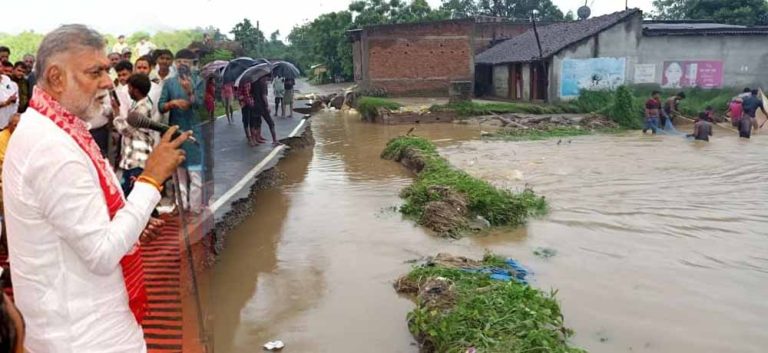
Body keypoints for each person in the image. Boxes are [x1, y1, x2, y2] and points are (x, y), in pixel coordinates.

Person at [3, 24, 189, 353]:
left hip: (81, 326)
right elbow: (102, 253)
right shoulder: (51, 148)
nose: (107, 81)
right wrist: (151, 179)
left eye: (106, 70)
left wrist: (131, 225)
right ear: (57, 78)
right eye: (95, 72)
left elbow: (87, 225)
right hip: (84, 338)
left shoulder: (58, 128)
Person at [158, 48, 205, 214]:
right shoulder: (169, 83)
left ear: (192, 65)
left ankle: (195, 209)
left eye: (185, 62)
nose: (181, 65)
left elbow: (200, 105)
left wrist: (189, 92)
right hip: (176, 131)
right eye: (179, 62)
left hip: (193, 132)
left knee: (195, 174)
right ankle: (181, 205)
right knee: (179, 173)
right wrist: (173, 103)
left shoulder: (198, 81)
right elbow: (161, 106)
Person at [114, 73, 157, 195]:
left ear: (135, 90)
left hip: (138, 158)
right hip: (132, 157)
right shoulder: (139, 105)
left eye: (129, 88)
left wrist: (117, 113)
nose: (128, 91)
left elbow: (125, 130)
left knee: (134, 194)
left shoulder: (142, 108)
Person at [252, 75, 280, 146]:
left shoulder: (254, 83)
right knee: (271, 123)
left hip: (255, 105)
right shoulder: (263, 84)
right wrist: (267, 106)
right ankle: (274, 140)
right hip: (262, 106)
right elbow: (264, 96)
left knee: (256, 124)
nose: (267, 80)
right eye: (267, 78)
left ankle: (255, 139)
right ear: (264, 77)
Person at [0, 63, 18, 128]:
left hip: (10, 124)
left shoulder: (9, 81)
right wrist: (6, 102)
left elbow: (17, 103)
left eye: (0, 66)